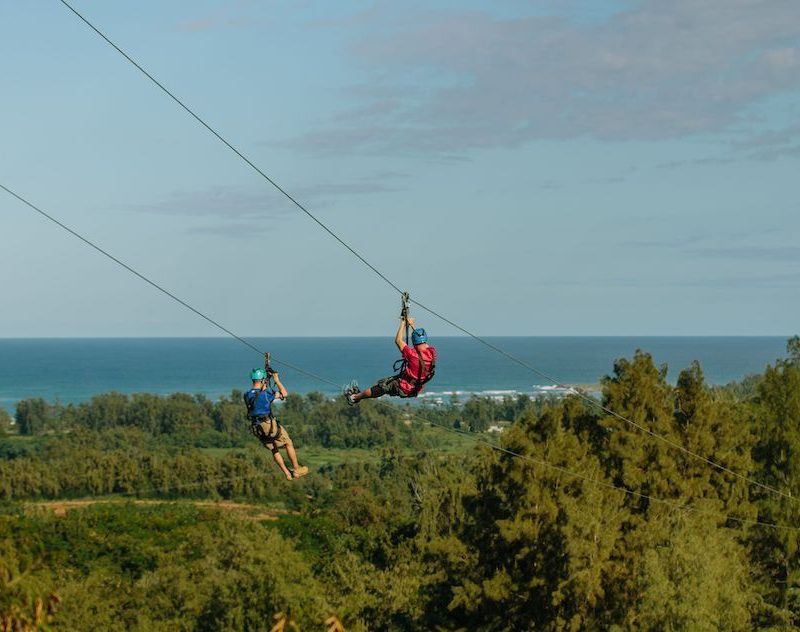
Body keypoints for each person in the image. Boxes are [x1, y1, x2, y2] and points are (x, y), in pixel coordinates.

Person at [345, 316, 437, 404]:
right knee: (385, 384)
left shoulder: (412, 355)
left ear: (414, 342)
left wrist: (403, 323)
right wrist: (412, 326)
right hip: (415, 387)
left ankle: (354, 398)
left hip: (405, 387)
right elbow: (421, 343)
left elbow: (398, 341)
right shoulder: (432, 353)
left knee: (382, 387)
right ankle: (358, 395)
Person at [243, 368, 308, 481]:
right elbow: (284, 394)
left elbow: (257, 396)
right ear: (263, 381)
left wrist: (265, 382)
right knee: (288, 443)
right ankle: (296, 469)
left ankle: (287, 474)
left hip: (256, 427)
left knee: (274, 448)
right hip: (268, 424)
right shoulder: (266, 395)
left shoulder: (247, 395)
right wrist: (276, 380)